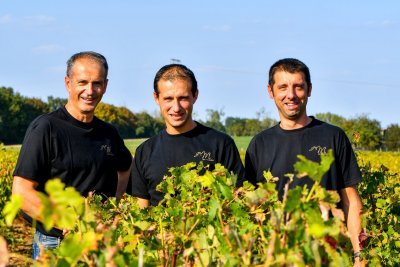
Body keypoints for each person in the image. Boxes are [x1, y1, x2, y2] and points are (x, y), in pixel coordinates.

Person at [12, 51, 133, 259]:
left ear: (105, 86)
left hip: (99, 243)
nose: (90, 91)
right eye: (82, 82)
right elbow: (22, 192)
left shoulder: (109, 133)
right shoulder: (46, 128)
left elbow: (126, 167)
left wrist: (115, 205)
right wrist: (68, 222)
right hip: (55, 243)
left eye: (97, 83)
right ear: (68, 83)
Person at [245, 58, 364, 265]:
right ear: (270, 92)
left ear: (309, 89)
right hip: (277, 258)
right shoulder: (259, 144)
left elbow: (351, 201)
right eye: (282, 87)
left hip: (329, 256)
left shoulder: (333, 137)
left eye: (298, 87)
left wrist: (359, 255)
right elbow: (252, 209)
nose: (290, 95)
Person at [129, 64, 245, 208]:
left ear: (195, 95)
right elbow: (141, 212)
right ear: (156, 98)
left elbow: (237, 199)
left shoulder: (221, 144)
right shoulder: (144, 152)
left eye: (183, 98)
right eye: (168, 99)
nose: (176, 107)